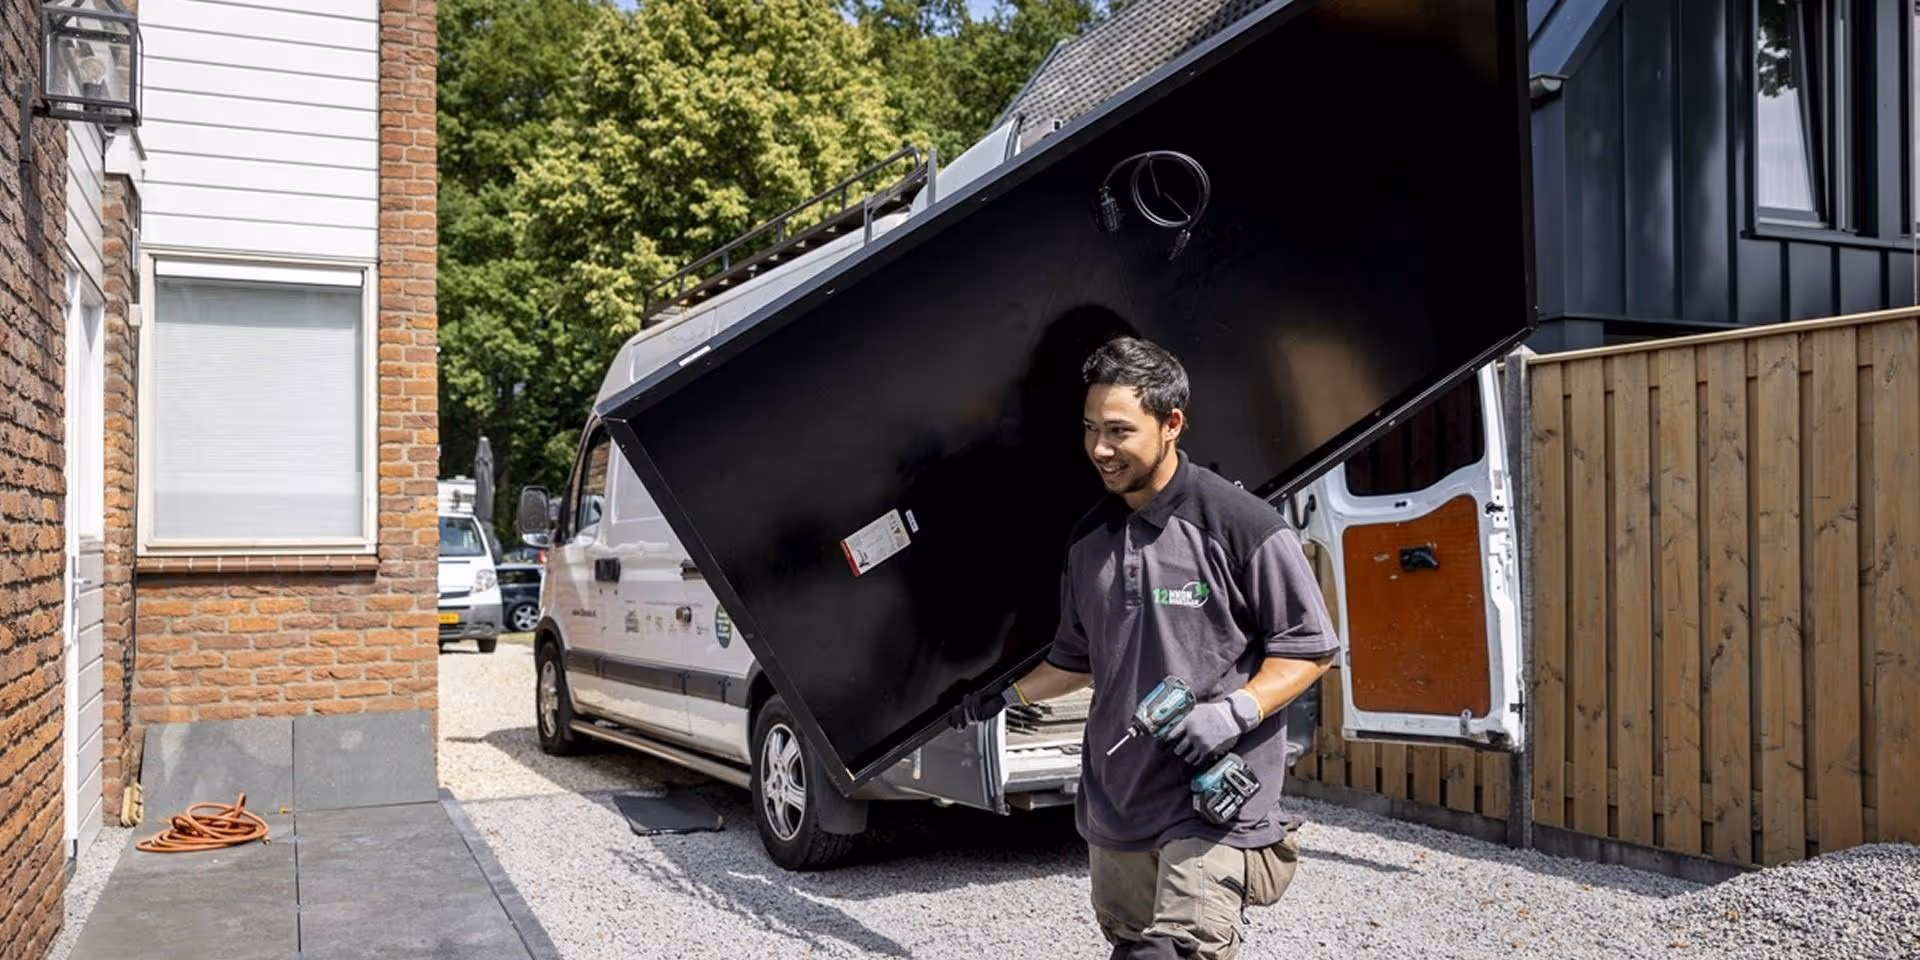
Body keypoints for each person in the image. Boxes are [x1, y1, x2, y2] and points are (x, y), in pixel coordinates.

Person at [950, 336, 1338, 959]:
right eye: (1090, 429)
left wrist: (1233, 711)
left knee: (1177, 954)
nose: (1100, 449)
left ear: (1171, 424)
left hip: (1208, 801)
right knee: (1132, 948)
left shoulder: (1241, 525)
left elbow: (1311, 648)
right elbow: (1075, 662)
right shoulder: (1088, 541)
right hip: (1117, 798)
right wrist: (1001, 694)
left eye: (1119, 431)